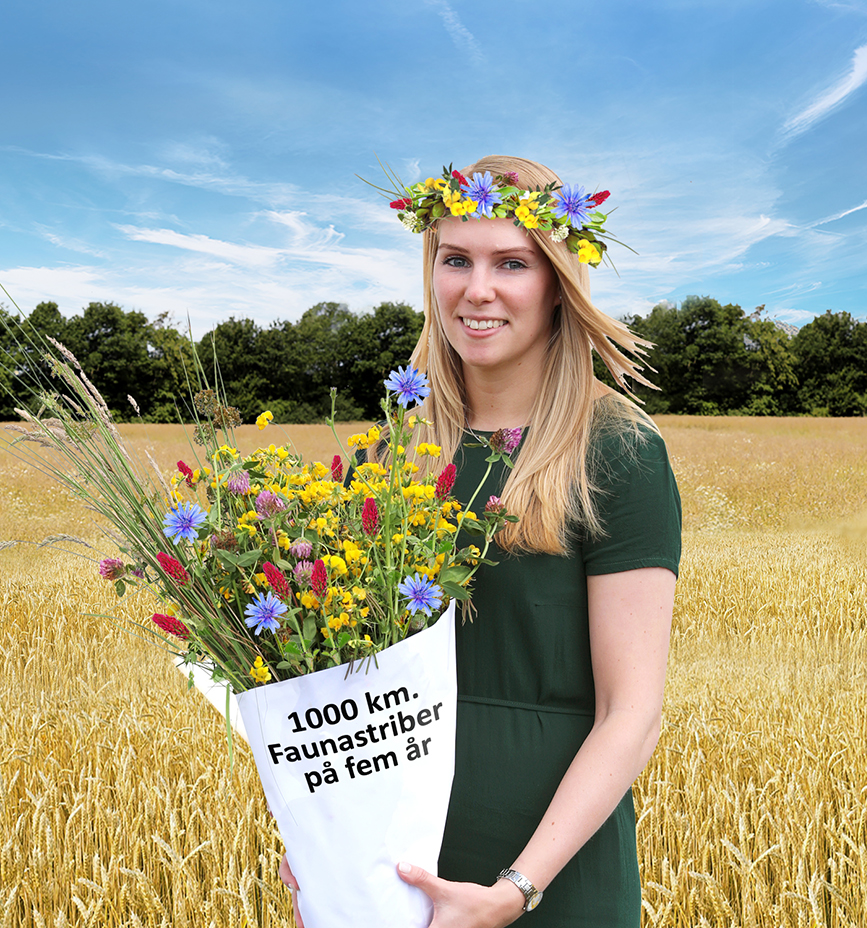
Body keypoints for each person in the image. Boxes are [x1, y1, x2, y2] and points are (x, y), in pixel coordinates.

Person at [280, 155, 682, 927]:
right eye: (455, 259)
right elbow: (337, 695)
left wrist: (514, 891)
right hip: (399, 867)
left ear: (557, 281)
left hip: (551, 875)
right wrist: (325, 853)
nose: (478, 289)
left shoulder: (617, 450)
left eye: (512, 264)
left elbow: (633, 713)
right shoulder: (390, 458)